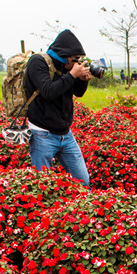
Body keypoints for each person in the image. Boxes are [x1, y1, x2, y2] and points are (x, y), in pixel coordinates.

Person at [25, 29, 94, 186]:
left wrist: (83, 79)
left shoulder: (67, 67)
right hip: (42, 133)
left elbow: (77, 92)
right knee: (42, 185)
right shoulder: (38, 62)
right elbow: (48, 91)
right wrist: (72, 75)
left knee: (83, 181)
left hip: (65, 133)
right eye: (75, 59)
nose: (77, 62)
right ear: (65, 55)